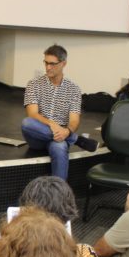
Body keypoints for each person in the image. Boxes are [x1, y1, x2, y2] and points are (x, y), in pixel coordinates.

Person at [20, 44, 99, 180]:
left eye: (52, 64)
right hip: (37, 135)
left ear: (63, 64)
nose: (48, 67)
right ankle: (76, 140)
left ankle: (60, 196)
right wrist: (53, 125)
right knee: (27, 123)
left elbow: (74, 121)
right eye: (46, 63)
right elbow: (32, 114)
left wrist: (66, 132)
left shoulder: (73, 89)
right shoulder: (34, 84)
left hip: (61, 136)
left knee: (60, 146)